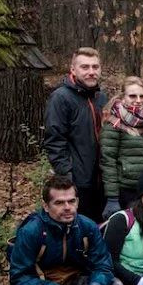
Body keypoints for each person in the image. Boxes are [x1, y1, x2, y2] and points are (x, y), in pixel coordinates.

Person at [5, 175, 119, 285]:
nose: (67, 208)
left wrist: (97, 284)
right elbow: (19, 278)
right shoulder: (31, 231)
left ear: (77, 202)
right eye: (59, 203)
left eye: (71, 201)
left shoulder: (87, 227)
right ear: (46, 206)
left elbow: (103, 264)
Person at [43, 47, 108, 223]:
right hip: (78, 182)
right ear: (73, 69)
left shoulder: (101, 98)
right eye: (85, 67)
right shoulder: (61, 98)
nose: (91, 72)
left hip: (103, 182)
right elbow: (55, 141)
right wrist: (67, 178)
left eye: (95, 67)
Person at [100, 76, 143, 219]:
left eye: (142, 96)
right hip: (126, 189)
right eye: (132, 96)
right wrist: (112, 197)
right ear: (123, 97)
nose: (138, 100)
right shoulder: (114, 123)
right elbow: (108, 161)